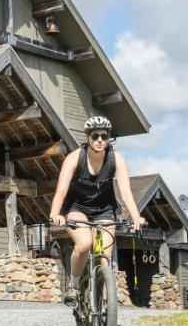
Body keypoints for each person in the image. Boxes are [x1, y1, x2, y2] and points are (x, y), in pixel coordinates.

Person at [48, 116, 147, 307]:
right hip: (77, 208)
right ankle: (74, 286)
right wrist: (55, 213)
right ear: (87, 138)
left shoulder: (116, 159)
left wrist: (136, 216)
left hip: (105, 210)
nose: (100, 140)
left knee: (103, 256)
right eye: (95, 136)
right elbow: (61, 190)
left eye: (104, 135)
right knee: (85, 244)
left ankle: (105, 311)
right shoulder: (74, 158)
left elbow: (125, 192)